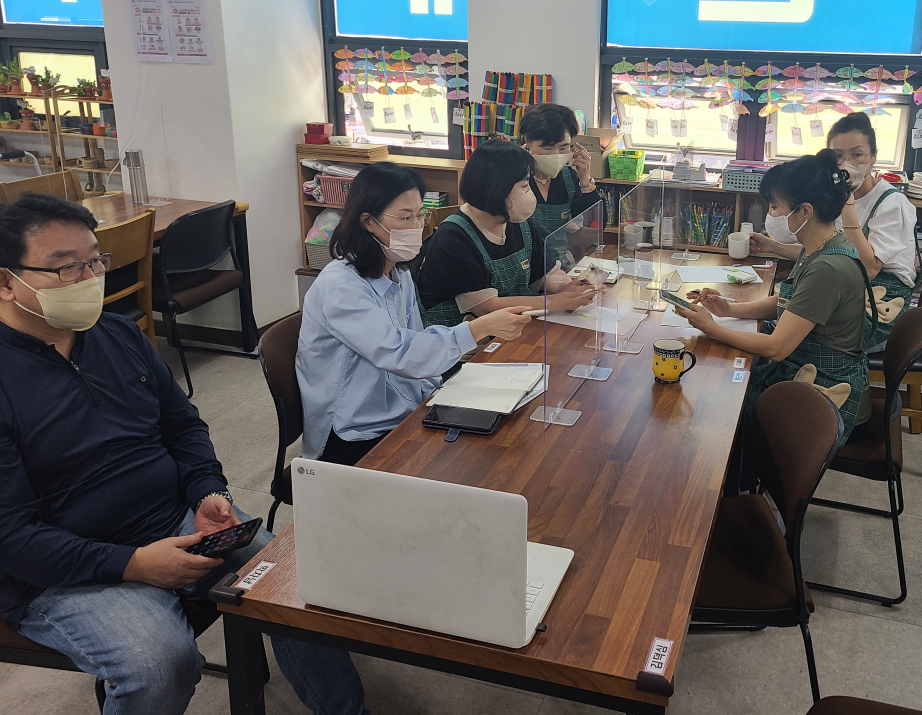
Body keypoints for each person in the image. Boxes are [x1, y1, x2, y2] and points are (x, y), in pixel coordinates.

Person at [0, 193, 366, 715]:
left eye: (95, 262)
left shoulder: (117, 334)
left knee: (297, 582)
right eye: (65, 268)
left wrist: (207, 490)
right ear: (6, 281)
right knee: (159, 664)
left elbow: (182, 426)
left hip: (175, 519)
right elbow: (12, 538)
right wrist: (131, 564)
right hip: (64, 569)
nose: (88, 279)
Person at [297, 163, 533, 465]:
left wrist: (439, 396)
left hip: (402, 406)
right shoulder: (342, 288)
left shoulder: (397, 270)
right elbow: (400, 352)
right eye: (406, 217)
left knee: (502, 437)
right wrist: (477, 329)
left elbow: (415, 340)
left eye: (420, 215)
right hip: (353, 432)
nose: (417, 226)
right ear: (368, 222)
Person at [677, 151, 874, 441]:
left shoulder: (827, 268)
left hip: (823, 395)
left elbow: (777, 347)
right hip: (802, 369)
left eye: (775, 207)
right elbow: (790, 303)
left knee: (715, 410)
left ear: (805, 211)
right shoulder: (822, 244)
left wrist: (712, 328)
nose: (772, 215)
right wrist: (728, 308)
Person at [750, 112, 917, 348]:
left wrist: (848, 208)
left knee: (790, 330)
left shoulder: (892, 203)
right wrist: (774, 247)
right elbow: (826, 251)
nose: (847, 164)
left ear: (873, 157)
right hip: (844, 287)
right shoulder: (830, 194)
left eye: (857, 155)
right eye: (838, 156)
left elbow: (868, 269)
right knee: (780, 315)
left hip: (880, 300)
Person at [417, 138, 597, 327]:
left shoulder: (516, 221)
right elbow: (486, 307)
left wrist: (569, 287)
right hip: (458, 336)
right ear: (497, 189)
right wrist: (553, 302)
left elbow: (545, 274)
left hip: (508, 327)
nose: (530, 193)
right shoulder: (454, 237)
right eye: (525, 186)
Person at [518, 103, 602, 238]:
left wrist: (586, 181)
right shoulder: (514, 175)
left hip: (561, 251)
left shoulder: (569, 177)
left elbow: (595, 226)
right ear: (527, 141)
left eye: (563, 148)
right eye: (548, 148)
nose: (556, 154)